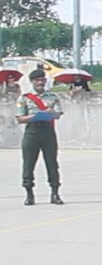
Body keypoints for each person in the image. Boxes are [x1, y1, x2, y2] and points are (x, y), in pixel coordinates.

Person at [16, 65, 64, 205]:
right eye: (37, 80)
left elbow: (58, 114)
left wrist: (51, 113)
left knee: (52, 163)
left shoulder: (52, 96)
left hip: (47, 131)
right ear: (32, 81)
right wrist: (33, 116)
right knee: (28, 164)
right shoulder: (24, 98)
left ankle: (55, 193)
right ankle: (29, 194)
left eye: (42, 80)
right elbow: (19, 118)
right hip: (32, 131)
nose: (40, 83)